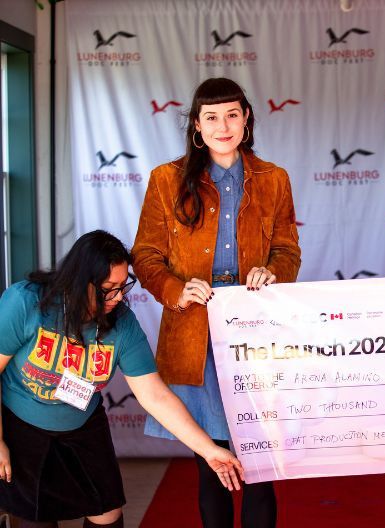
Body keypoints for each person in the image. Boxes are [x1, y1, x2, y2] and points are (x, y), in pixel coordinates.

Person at [132, 77, 301, 528]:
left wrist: (274, 272)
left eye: (231, 114)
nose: (222, 125)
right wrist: (175, 289)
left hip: (256, 335)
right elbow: (146, 255)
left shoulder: (274, 179)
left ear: (246, 119)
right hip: (194, 333)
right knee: (213, 464)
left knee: (262, 467)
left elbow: (287, 250)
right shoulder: (166, 180)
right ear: (196, 126)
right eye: (211, 117)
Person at [0, 230, 243, 528]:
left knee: (108, 515)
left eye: (122, 287)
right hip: (22, 424)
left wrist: (209, 450)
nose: (117, 298)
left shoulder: (122, 323)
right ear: (80, 282)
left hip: (82, 422)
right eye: (107, 289)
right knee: (36, 517)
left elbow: (154, 395)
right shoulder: (25, 303)